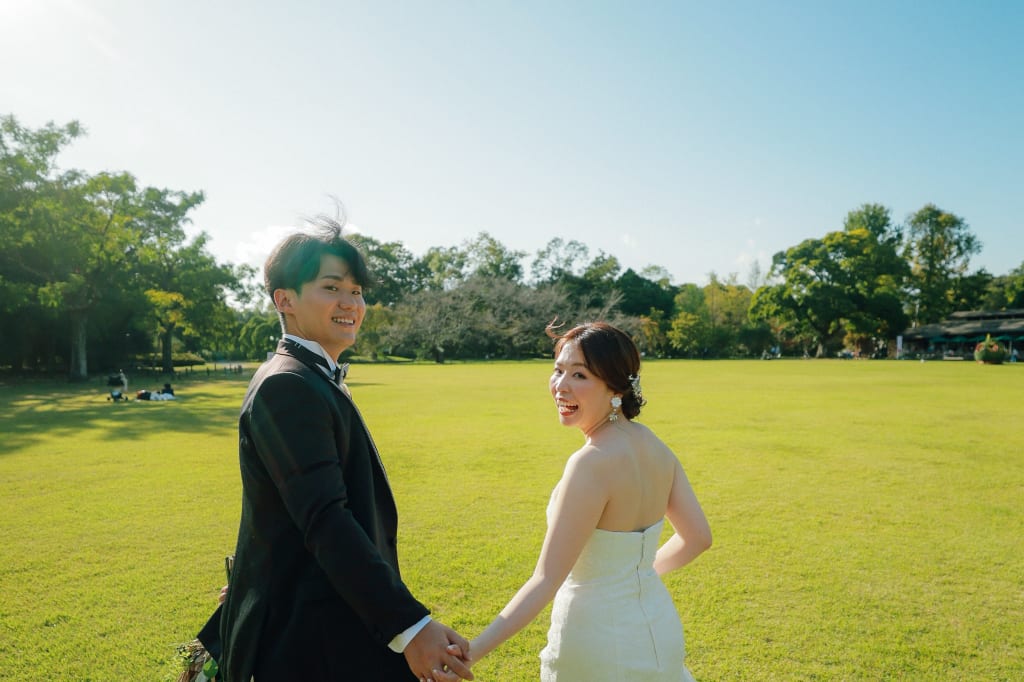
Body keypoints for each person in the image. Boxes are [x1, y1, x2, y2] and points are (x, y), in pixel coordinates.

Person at [215, 217, 472, 682]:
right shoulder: (288, 385)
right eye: (332, 287)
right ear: (285, 300)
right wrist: (411, 627)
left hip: (336, 622)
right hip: (311, 643)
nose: (350, 303)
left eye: (356, 292)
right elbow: (326, 519)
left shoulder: (309, 376)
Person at [467, 321, 712, 681]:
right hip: (658, 630)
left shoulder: (590, 464)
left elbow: (545, 580)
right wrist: (635, 575)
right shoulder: (657, 447)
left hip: (596, 642)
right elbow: (698, 538)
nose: (560, 386)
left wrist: (469, 654)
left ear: (614, 386)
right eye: (558, 370)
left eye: (579, 375)